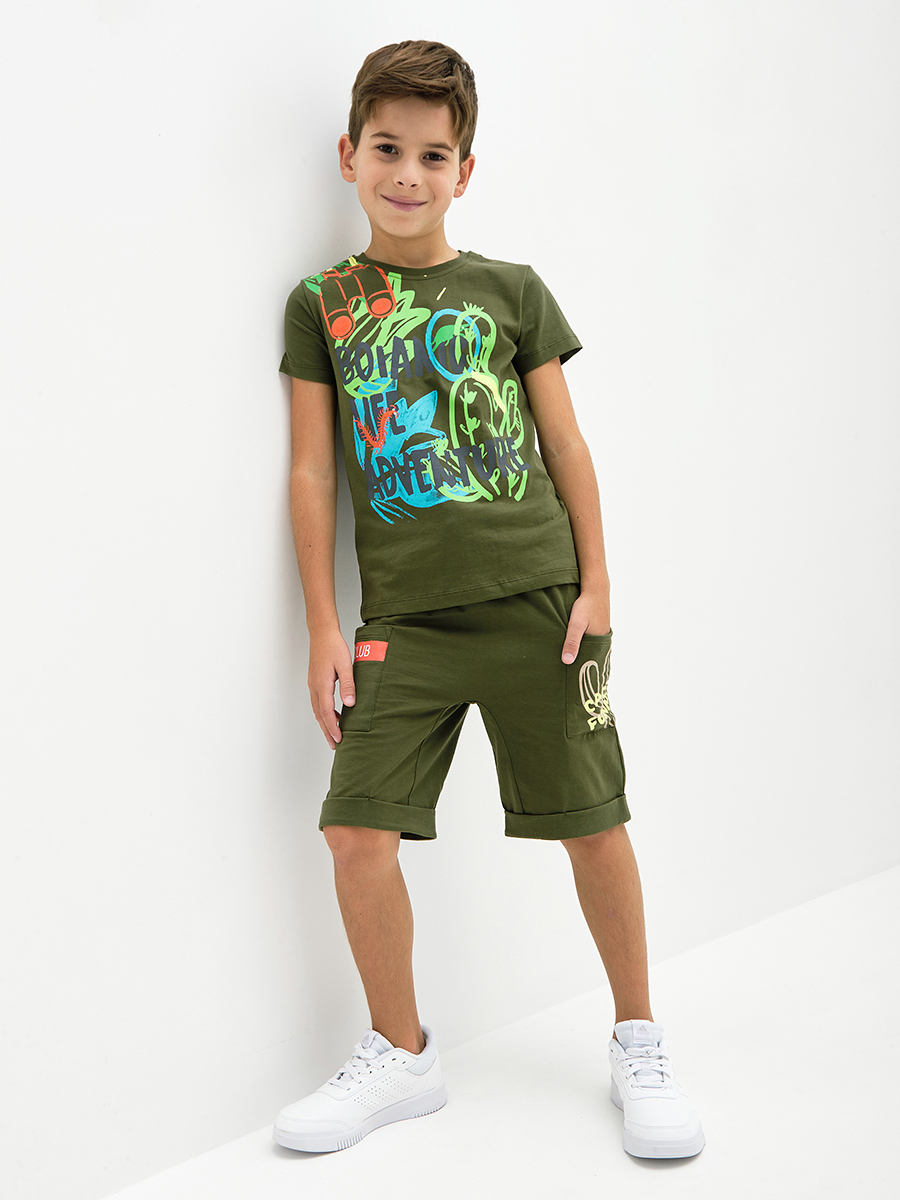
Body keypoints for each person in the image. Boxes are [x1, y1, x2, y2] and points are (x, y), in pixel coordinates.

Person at [273, 40, 704, 1160]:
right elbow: (314, 470)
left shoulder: (512, 292)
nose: (407, 174)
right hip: (403, 621)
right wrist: (323, 622)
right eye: (387, 149)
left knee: (594, 825)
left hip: (539, 605)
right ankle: (402, 1054)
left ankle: (640, 1036)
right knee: (355, 832)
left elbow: (566, 442)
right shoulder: (322, 305)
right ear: (349, 156)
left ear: (465, 171)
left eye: (433, 155)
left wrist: (597, 582)